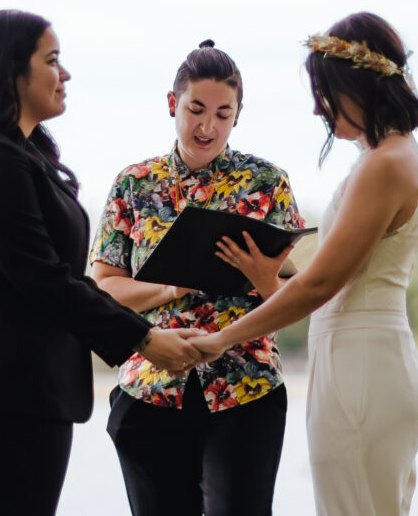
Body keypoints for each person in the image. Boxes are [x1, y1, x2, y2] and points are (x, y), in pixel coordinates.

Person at [0, 10, 201, 516]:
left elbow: (59, 277)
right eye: (52, 60)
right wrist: (144, 339)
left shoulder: (23, 156)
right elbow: (41, 277)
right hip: (1, 385)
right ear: (10, 71)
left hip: (24, 384)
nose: (64, 74)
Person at [194, 12, 418, 516]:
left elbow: (322, 283)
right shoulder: (387, 157)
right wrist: (268, 276)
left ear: (357, 84)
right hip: (354, 357)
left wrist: (218, 340)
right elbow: (332, 282)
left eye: (324, 91)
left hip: (363, 366)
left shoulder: (386, 164)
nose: (318, 106)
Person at [90, 39, 305, 516]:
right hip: (149, 389)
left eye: (223, 114)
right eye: (196, 109)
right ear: (173, 103)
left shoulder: (269, 183)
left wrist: (263, 275)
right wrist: (172, 285)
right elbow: (105, 290)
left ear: (237, 115)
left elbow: (297, 295)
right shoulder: (133, 183)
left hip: (247, 387)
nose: (208, 126)